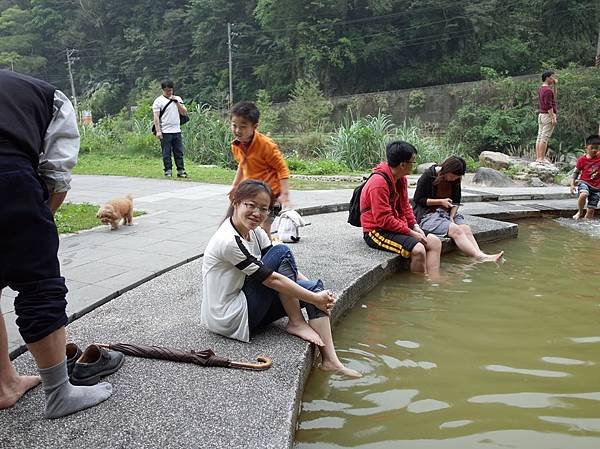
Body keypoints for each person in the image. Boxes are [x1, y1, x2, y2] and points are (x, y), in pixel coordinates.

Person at [0, 70, 112, 417]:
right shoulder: (49, 97)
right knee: (38, 284)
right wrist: (36, 231)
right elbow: (57, 176)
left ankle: (5, 385)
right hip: (8, 176)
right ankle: (59, 393)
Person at [201, 179, 361, 378]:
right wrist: (313, 299)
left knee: (314, 287)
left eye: (264, 209)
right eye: (250, 205)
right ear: (235, 202)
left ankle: (331, 361)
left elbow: (285, 269)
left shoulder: (255, 232)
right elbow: (272, 279)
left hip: (248, 306)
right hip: (229, 317)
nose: (257, 213)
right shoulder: (228, 241)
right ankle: (296, 322)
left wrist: (314, 293)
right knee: (282, 250)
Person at [360, 141, 442, 275]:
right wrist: (411, 233)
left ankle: (434, 280)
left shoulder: (401, 179)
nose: (414, 165)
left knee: (435, 242)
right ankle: (421, 288)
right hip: (376, 231)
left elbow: (405, 207)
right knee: (419, 250)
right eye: (413, 161)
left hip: (396, 224)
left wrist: (415, 226)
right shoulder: (378, 183)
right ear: (403, 165)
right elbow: (383, 220)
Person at [413, 156, 504, 262]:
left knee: (465, 229)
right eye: (452, 176)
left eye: (457, 177)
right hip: (428, 214)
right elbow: (418, 199)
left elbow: (456, 201)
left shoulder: (456, 179)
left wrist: (451, 216)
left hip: (447, 212)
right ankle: (479, 257)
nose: (454, 179)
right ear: (446, 170)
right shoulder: (428, 176)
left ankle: (479, 253)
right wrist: (440, 202)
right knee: (456, 230)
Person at [229, 101, 291, 237]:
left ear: (254, 127)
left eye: (243, 127)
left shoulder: (266, 146)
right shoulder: (236, 145)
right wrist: (235, 186)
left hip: (271, 196)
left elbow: (282, 169)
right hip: (251, 193)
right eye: (234, 126)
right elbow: (242, 164)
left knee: (263, 228)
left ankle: (266, 255)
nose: (237, 130)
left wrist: (285, 195)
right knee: (241, 224)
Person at [152, 79, 188, 178]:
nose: (169, 92)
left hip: (177, 130)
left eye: (171, 90)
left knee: (178, 152)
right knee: (166, 152)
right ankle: (168, 170)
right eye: (167, 90)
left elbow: (184, 112)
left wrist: (177, 102)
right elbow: (156, 117)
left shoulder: (178, 99)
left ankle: (181, 170)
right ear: (163, 90)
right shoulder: (158, 101)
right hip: (165, 131)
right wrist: (158, 131)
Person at [570, 134, 600, 220]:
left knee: (590, 211)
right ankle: (580, 211)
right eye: (592, 148)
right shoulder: (582, 159)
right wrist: (572, 184)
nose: (594, 150)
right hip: (585, 182)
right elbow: (576, 172)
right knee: (583, 194)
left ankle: (585, 225)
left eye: (597, 148)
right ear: (586, 147)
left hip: (597, 187)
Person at [535, 70, 558, 163]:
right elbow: (549, 105)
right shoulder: (548, 90)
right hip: (547, 115)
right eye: (552, 77)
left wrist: (555, 85)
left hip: (541, 115)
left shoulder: (542, 89)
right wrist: (553, 118)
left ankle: (538, 157)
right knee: (544, 138)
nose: (553, 78)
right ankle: (541, 158)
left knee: (540, 136)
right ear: (547, 77)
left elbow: (553, 98)